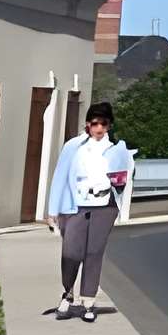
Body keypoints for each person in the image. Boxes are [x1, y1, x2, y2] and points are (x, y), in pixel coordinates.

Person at [46, 103, 132, 321]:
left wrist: (120, 181)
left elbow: (123, 179)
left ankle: (89, 302)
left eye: (104, 123)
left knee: (94, 253)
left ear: (110, 125)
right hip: (75, 205)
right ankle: (68, 293)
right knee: (71, 253)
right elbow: (60, 176)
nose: (99, 128)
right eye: (95, 123)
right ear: (88, 124)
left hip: (105, 206)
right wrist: (52, 209)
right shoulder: (73, 146)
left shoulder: (117, 149)